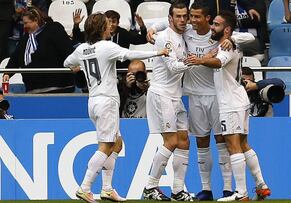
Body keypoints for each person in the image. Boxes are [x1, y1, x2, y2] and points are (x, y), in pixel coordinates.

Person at [63, 13, 168, 203]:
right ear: (102, 28)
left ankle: (107, 189)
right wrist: (157, 53)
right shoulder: (107, 47)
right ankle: (85, 187)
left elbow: (67, 63)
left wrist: (79, 67)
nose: (110, 28)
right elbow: (130, 54)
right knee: (105, 146)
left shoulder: (82, 49)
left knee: (117, 144)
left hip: (93, 101)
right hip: (107, 102)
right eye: (107, 25)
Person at [186, 10, 270, 201]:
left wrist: (200, 60)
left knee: (233, 146)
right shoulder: (227, 43)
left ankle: (241, 193)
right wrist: (212, 51)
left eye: (216, 24)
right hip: (238, 100)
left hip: (230, 103)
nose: (212, 27)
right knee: (243, 144)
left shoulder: (226, 47)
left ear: (227, 29)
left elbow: (218, 63)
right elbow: (228, 47)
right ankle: (261, 185)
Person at [142, 1, 196, 201]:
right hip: (161, 94)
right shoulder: (163, 39)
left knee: (184, 141)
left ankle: (177, 191)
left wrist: (153, 26)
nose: (183, 20)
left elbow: (199, 26)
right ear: (170, 19)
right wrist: (195, 60)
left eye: (185, 16)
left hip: (176, 95)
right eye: (178, 16)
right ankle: (150, 186)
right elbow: (173, 67)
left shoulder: (183, 30)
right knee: (171, 141)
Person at [3, 7, 76, 93]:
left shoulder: (54, 29)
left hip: (59, 88)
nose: (24, 26)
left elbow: (67, 50)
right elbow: (15, 58)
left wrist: (74, 65)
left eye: (26, 23)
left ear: (36, 20)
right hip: (34, 91)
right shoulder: (25, 38)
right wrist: (7, 73)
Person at [72, 9, 148, 71]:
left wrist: (142, 27)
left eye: (114, 21)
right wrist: (76, 25)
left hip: (120, 71)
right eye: (108, 21)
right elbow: (78, 37)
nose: (111, 24)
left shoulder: (123, 33)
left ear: (118, 23)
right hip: (101, 70)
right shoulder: (97, 32)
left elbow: (143, 40)